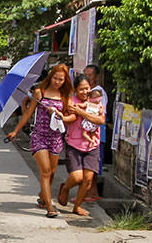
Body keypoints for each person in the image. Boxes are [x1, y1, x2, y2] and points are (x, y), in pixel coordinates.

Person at [6, 64, 74, 218]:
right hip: (39, 136)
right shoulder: (40, 92)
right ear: (50, 77)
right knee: (45, 171)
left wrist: (60, 115)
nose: (57, 82)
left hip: (56, 138)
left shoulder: (65, 96)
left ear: (65, 80)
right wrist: (16, 131)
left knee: (52, 173)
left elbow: (71, 117)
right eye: (55, 78)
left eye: (61, 79)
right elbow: (28, 113)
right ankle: (50, 207)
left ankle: (43, 196)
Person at [57, 75, 106, 216]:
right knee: (77, 178)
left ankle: (77, 206)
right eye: (81, 89)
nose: (85, 92)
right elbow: (69, 119)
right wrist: (63, 116)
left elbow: (100, 120)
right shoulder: (71, 102)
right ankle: (65, 188)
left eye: (87, 88)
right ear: (75, 90)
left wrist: (81, 113)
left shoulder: (96, 102)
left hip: (92, 145)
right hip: (74, 144)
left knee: (88, 180)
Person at [81, 64, 108, 202]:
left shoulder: (97, 92)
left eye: (90, 75)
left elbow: (96, 113)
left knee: (92, 165)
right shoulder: (89, 91)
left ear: (97, 76)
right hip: (91, 131)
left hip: (96, 132)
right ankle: (92, 192)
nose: (87, 77)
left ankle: (90, 193)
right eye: (85, 74)